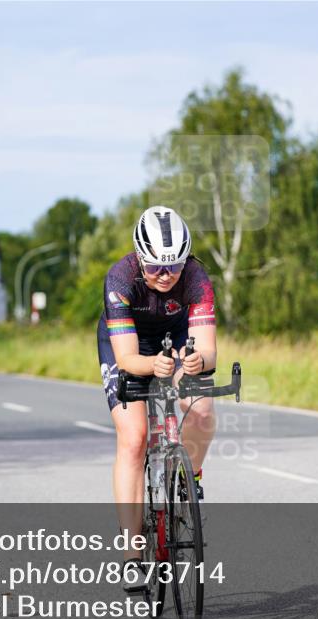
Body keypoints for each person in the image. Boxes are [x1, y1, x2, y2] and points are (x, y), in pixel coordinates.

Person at [97, 205, 217, 592]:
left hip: (178, 338)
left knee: (202, 410)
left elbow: (209, 351)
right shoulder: (120, 278)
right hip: (128, 344)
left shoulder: (197, 277)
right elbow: (127, 359)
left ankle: (189, 479)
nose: (165, 275)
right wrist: (152, 366)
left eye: (174, 266)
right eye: (154, 267)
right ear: (139, 258)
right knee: (133, 438)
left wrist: (197, 361)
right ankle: (132, 554)